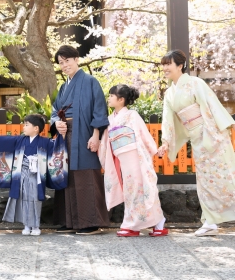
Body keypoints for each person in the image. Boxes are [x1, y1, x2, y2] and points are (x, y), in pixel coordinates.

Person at [157, 49, 235, 237]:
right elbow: (167, 119)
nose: (165, 68)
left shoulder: (195, 83)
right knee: (205, 181)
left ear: (180, 65)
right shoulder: (170, 93)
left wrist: (214, 134)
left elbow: (209, 107)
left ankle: (212, 220)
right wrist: (166, 142)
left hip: (212, 135)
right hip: (197, 138)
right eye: (164, 64)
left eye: (169, 64)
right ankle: (210, 221)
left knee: (226, 176)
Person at [51, 45, 110, 235]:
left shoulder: (90, 82)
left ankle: (91, 222)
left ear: (77, 59)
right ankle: (70, 221)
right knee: (66, 176)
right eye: (61, 63)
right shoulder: (63, 87)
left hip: (84, 133)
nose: (64, 65)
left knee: (86, 176)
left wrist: (96, 135)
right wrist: (56, 123)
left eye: (67, 60)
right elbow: (55, 111)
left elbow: (99, 109)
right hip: (65, 134)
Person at [0, 114, 67, 236]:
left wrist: (62, 136)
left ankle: (35, 226)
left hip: (36, 176)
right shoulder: (20, 140)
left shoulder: (45, 142)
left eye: (27, 125)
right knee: (23, 198)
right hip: (21, 175)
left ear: (36, 128)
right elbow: (3, 140)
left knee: (35, 199)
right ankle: (26, 225)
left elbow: (57, 148)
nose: (24, 127)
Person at [99, 84, 168, 237]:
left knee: (144, 189)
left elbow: (143, 134)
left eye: (111, 95)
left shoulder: (132, 115)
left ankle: (159, 222)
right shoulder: (110, 119)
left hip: (135, 157)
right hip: (121, 159)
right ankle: (133, 224)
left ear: (121, 99)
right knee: (130, 191)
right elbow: (106, 141)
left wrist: (154, 151)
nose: (109, 98)